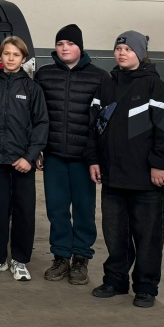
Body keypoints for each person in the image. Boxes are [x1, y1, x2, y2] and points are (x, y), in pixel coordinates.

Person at [92, 31, 164, 308]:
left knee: (148, 236)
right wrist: (94, 160)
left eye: (128, 49)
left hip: (145, 178)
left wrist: (158, 164)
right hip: (113, 177)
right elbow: (94, 126)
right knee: (115, 233)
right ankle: (115, 280)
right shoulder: (106, 85)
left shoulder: (154, 86)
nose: (121, 53)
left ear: (140, 53)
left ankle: (146, 286)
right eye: (118, 48)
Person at [35, 24, 113, 286]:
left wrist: (97, 157)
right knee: (56, 209)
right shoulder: (44, 75)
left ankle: (81, 258)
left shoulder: (99, 77)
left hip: (84, 158)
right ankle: (60, 257)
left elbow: (104, 121)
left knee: (84, 209)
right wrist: (38, 149)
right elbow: (37, 115)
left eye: (70, 43)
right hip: (54, 154)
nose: (65, 48)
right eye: (60, 44)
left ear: (80, 46)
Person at [0, 36, 48, 280]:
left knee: (23, 212)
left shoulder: (32, 89)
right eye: (6, 54)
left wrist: (29, 157)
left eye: (16, 55)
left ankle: (20, 260)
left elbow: (41, 124)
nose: (10, 59)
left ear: (24, 58)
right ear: (0, 57)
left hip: (22, 162)